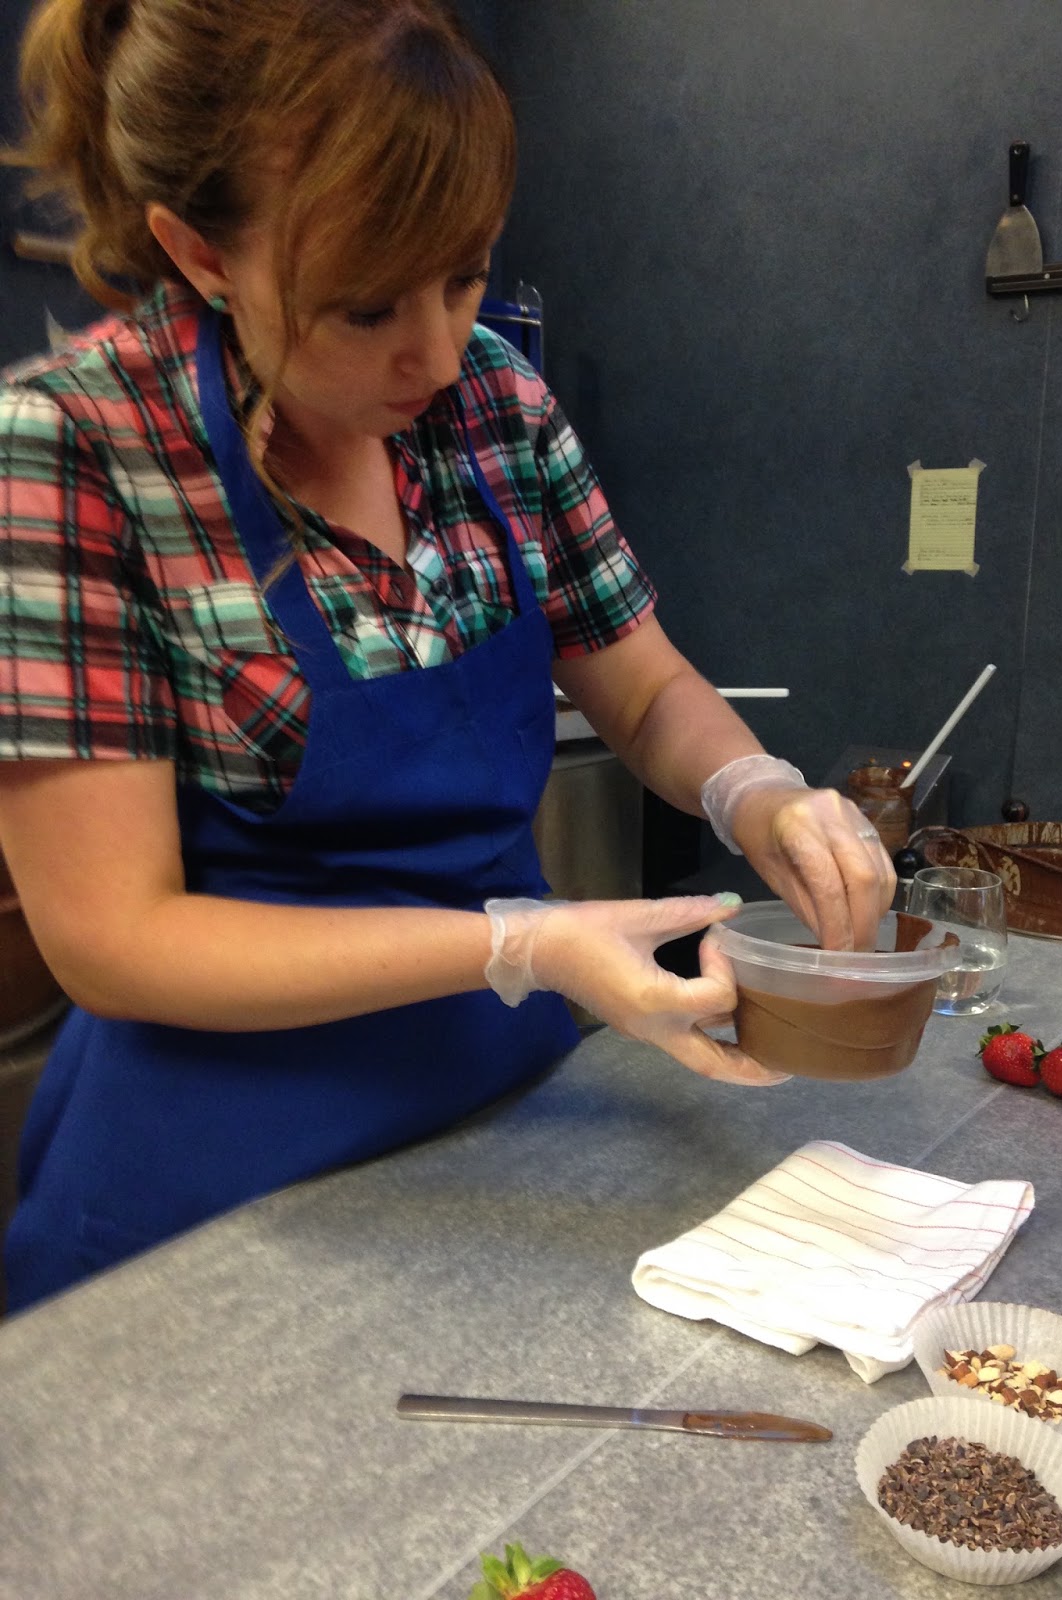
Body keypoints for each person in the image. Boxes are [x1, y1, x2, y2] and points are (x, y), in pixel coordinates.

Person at [0, 0, 894, 1312]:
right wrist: (517, 945)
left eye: (464, 273)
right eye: (365, 306)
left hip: (500, 1126)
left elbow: (645, 687)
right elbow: (115, 938)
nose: (433, 349)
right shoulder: (75, 446)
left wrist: (754, 792)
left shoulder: (494, 406)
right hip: (214, 1188)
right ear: (200, 252)